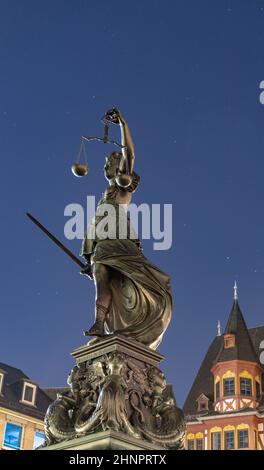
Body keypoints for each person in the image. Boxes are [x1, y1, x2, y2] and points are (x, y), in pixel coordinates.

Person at [81, 108, 172, 350]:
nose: (106, 162)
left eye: (111, 160)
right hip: (101, 243)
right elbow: (97, 224)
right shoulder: (104, 195)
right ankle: (99, 324)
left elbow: (129, 152)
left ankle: (139, 316)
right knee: (101, 278)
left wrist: (123, 124)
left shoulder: (123, 184)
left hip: (119, 240)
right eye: (107, 160)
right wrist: (89, 256)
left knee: (108, 276)